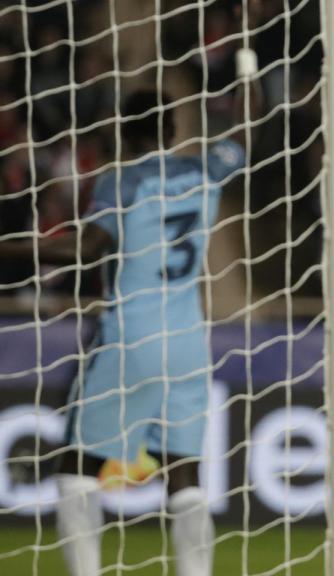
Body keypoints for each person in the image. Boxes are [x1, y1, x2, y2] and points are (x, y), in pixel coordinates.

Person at [0, 79, 253, 575]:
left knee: (77, 466)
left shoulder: (122, 181)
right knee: (184, 473)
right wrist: (245, 80)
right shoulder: (205, 169)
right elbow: (244, 133)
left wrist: (7, 249)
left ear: (123, 131)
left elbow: (84, 248)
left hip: (132, 334)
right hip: (187, 342)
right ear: (172, 128)